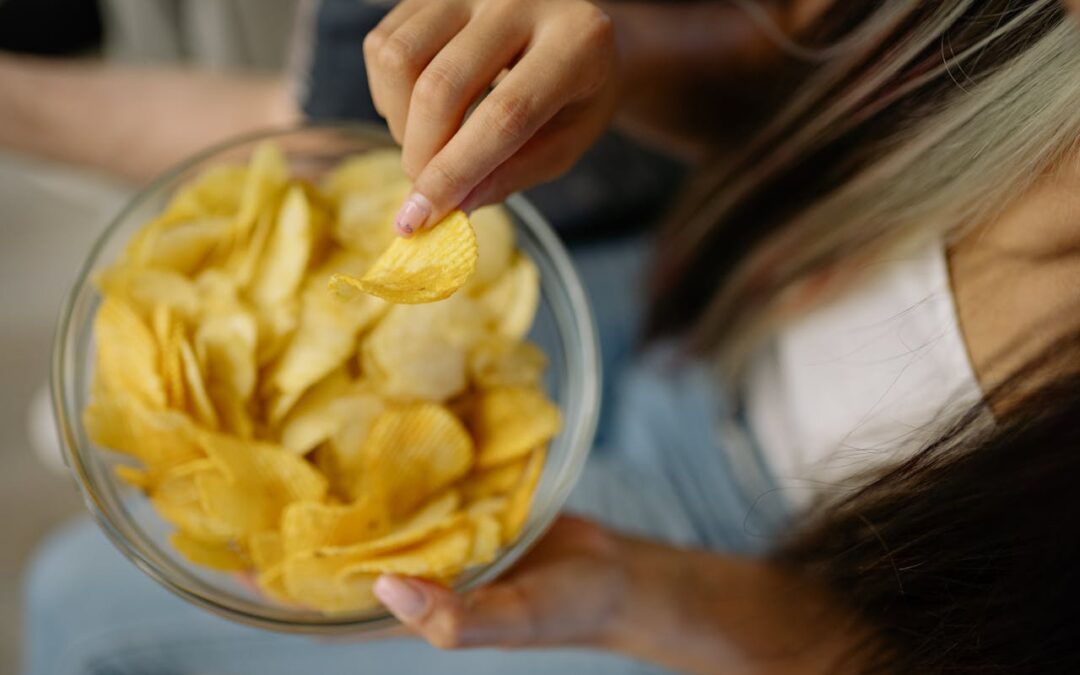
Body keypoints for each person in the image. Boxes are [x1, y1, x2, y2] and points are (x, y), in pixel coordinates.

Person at [10, 0, 1080, 673]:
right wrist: (610, 58)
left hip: (769, 584)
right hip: (685, 297)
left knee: (77, 609)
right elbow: (816, 104)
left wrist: (631, 595)